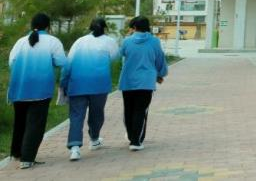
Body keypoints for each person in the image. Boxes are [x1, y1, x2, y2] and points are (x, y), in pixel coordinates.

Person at [7, 13, 67, 169]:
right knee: (35, 124)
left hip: (19, 87)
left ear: (31, 25)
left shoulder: (20, 42)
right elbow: (62, 62)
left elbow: (11, 62)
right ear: (48, 26)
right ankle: (27, 158)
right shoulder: (53, 41)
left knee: (20, 122)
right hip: (40, 89)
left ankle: (16, 153)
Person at [60, 17, 120, 161]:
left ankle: (74, 148)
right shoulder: (110, 42)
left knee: (76, 116)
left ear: (90, 27)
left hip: (77, 83)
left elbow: (68, 64)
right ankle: (94, 139)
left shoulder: (79, 41)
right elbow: (115, 58)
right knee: (97, 114)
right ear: (105, 28)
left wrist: (64, 82)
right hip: (99, 84)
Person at [119, 16, 169, 151]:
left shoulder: (126, 41)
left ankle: (131, 136)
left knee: (128, 110)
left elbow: (122, 55)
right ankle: (136, 141)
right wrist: (160, 74)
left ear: (134, 27)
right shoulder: (154, 41)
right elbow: (160, 59)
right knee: (140, 110)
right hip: (146, 82)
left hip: (128, 81)